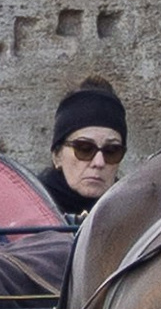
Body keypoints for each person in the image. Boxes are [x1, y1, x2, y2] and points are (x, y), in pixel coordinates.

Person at [40, 77, 129, 220]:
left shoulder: (134, 212)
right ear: (57, 155)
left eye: (112, 151)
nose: (99, 162)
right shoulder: (27, 211)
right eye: (84, 149)